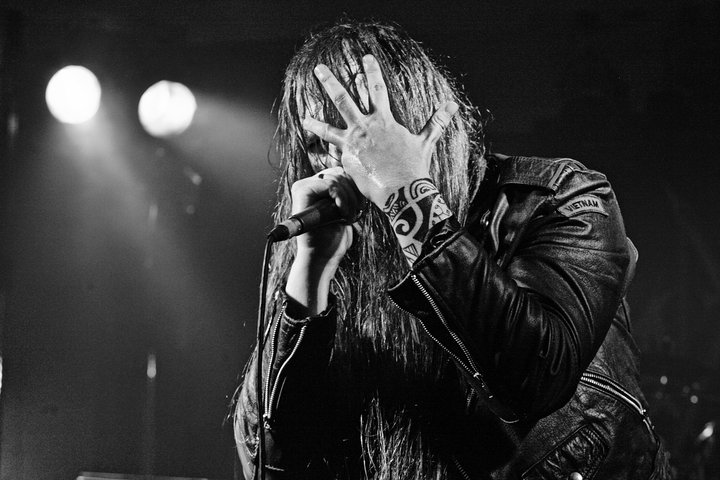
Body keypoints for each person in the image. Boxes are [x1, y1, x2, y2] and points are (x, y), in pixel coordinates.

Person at [232, 20, 670, 480]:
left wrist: (405, 190)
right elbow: (271, 462)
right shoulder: (334, 247)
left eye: (362, 134)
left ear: (411, 117)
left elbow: (532, 381)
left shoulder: (558, 199)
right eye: (319, 144)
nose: (341, 160)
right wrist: (310, 269)